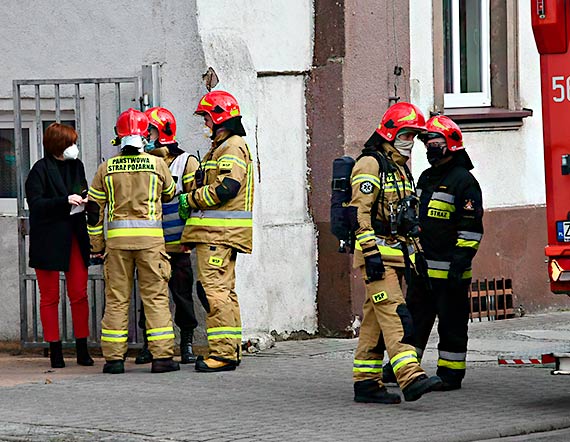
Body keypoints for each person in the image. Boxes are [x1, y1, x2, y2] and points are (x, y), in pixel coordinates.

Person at [349, 102, 442, 403]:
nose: (410, 142)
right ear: (389, 132)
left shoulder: (400, 169)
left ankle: (366, 383)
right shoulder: (370, 164)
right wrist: (370, 252)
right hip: (377, 257)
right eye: (406, 134)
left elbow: (406, 219)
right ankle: (410, 377)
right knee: (396, 315)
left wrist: (419, 256)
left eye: (414, 135)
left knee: (374, 324)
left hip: (397, 255)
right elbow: (358, 213)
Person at [87, 108, 178, 374]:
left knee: (116, 299)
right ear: (145, 135)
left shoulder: (106, 167)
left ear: (119, 135)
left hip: (116, 245)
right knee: (156, 298)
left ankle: (114, 360)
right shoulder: (157, 164)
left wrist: (96, 246)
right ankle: (161, 358)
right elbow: (170, 195)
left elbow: (94, 211)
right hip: (151, 244)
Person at [406, 115, 483, 390]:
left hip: (451, 270)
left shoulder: (464, 182)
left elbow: (471, 228)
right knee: (414, 321)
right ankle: (407, 370)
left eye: (434, 142)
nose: (429, 147)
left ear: (450, 144)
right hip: (423, 267)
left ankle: (450, 375)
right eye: (426, 143)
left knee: (451, 325)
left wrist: (460, 263)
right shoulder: (426, 178)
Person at [178, 90, 254, 373]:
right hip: (218, 234)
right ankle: (230, 349)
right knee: (224, 292)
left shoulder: (230, 147)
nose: (205, 123)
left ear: (220, 117)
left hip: (218, 235)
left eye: (207, 118)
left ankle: (222, 354)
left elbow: (226, 188)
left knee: (214, 293)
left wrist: (192, 198)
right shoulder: (223, 146)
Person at [134, 106, 200, 365]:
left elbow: (195, 200)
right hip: (149, 243)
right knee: (148, 296)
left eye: (147, 130)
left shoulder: (187, 162)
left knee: (182, 295)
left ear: (160, 132)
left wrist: (191, 238)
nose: (144, 135)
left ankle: (186, 343)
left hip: (178, 243)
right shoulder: (142, 161)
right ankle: (151, 345)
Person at [25, 123, 93, 368]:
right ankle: (55, 350)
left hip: (74, 236)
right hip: (48, 239)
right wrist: (64, 201)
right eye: (70, 143)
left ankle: (82, 348)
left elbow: (82, 189)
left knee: (79, 294)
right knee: (50, 297)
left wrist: (85, 200)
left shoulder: (77, 166)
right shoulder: (39, 170)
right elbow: (36, 203)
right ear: (58, 145)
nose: (74, 147)